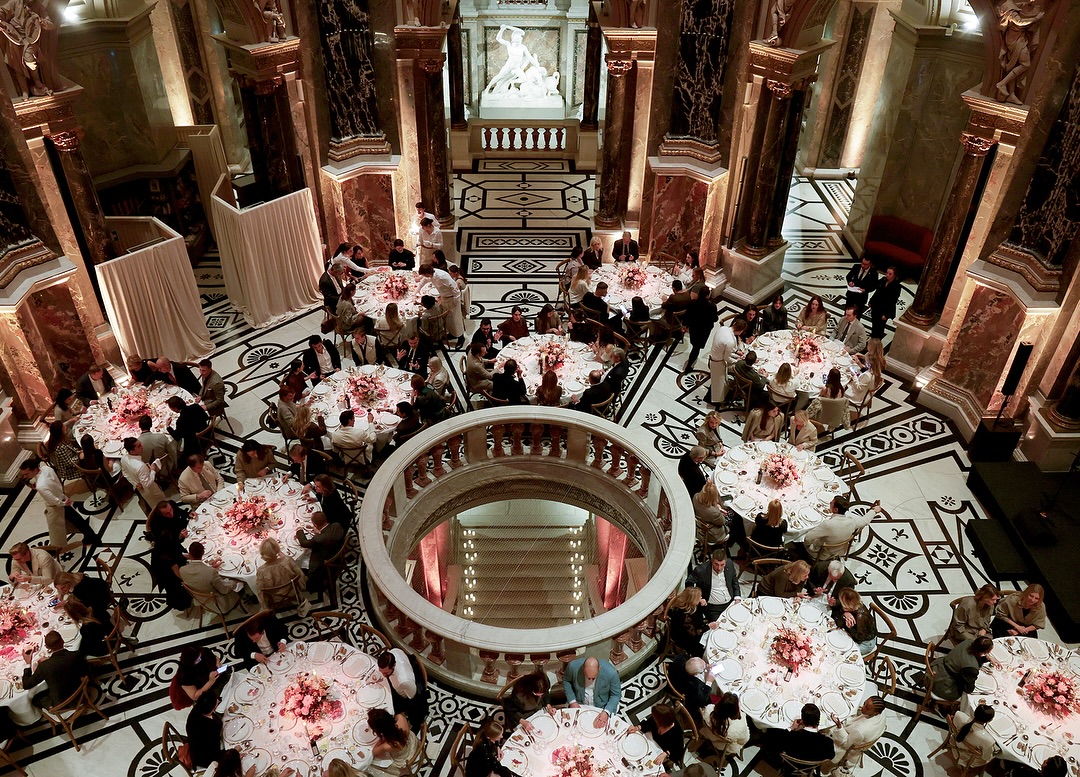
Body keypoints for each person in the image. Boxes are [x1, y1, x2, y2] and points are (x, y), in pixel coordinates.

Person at [19, 457, 99, 549]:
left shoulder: (41, 486)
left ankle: (89, 536)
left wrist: (64, 503)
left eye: (26, 474)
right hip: (61, 495)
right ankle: (89, 534)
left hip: (58, 504)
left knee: (61, 525)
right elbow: (54, 482)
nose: (25, 476)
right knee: (75, 519)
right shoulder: (46, 469)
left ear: (35, 470)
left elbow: (53, 500)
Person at [22, 630, 89, 710]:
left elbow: (26, 685)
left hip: (63, 705)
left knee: (35, 698)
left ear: (47, 647)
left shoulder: (44, 666)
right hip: (82, 693)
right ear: (62, 640)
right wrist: (49, 660)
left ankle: (51, 708)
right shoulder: (76, 655)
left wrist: (28, 663)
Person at [800, 497, 878, 560]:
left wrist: (808, 546)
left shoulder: (828, 525)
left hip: (820, 554)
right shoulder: (851, 522)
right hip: (836, 551)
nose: (830, 503)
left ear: (836, 509)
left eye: (831, 503)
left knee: (802, 535)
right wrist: (874, 511)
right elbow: (864, 521)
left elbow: (807, 539)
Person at [826, 696, 887, 773]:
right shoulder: (882, 712)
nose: (862, 708)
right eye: (864, 703)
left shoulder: (860, 730)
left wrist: (839, 727)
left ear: (876, 713)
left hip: (851, 745)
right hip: (867, 735)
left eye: (867, 708)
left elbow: (845, 744)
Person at [922, 636, 994, 701]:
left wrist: (985, 659)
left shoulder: (968, 641)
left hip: (936, 666)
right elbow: (968, 689)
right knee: (967, 695)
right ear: (985, 652)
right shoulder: (971, 667)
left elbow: (969, 656)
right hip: (942, 683)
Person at [179, 541, 241, 614]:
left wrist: (211, 567)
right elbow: (224, 590)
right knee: (238, 580)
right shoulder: (210, 572)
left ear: (189, 554)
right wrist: (234, 582)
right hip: (219, 603)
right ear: (203, 553)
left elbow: (199, 577)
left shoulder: (182, 570)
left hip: (200, 600)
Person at [295, 511, 346, 593]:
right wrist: (320, 533)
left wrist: (299, 531)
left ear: (315, 525)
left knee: (301, 560)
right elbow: (328, 536)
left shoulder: (318, 539)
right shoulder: (337, 525)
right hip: (336, 549)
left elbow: (304, 543)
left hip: (325, 557)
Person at [685, 549, 740, 621]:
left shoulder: (729, 563)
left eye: (722, 565)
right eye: (716, 564)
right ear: (712, 561)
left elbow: (734, 581)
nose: (719, 568)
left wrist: (737, 597)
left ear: (725, 562)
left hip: (731, 603)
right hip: (713, 608)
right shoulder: (701, 570)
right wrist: (698, 598)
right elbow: (688, 583)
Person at [563, 656, 621, 724]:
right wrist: (572, 701)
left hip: (602, 706)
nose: (590, 680)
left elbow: (616, 695)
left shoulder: (611, 672)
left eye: (593, 678)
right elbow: (566, 680)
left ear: (599, 668)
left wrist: (606, 712)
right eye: (588, 678)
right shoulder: (573, 667)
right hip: (579, 703)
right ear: (583, 668)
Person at [418, 260, 464, 346]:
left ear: (427, 273)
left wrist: (455, 301)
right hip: (444, 298)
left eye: (424, 275)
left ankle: (461, 338)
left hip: (452, 299)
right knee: (448, 320)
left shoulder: (442, 276)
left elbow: (455, 289)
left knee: (455, 320)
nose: (424, 276)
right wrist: (416, 291)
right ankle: (452, 334)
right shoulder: (431, 274)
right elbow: (424, 281)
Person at [367, 708, 420, 777]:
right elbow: (397, 716)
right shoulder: (401, 718)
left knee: (372, 764)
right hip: (413, 742)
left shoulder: (388, 745)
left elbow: (375, 751)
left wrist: (381, 738)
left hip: (406, 759)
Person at [255, 537, 306, 608]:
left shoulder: (261, 571)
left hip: (275, 597)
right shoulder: (288, 560)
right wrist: (285, 557)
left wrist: (265, 606)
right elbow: (300, 575)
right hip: (291, 591)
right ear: (277, 549)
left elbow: (261, 592)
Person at [701, 693, 750, 759]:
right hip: (723, 746)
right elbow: (744, 740)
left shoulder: (709, 709)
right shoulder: (739, 727)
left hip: (710, 735)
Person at [832, 588, 878, 656]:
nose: (841, 604)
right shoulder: (854, 604)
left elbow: (859, 638)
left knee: (843, 654)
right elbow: (837, 617)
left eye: (843, 604)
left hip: (866, 643)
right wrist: (844, 614)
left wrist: (850, 627)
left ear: (848, 606)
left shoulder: (861, 617)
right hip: (858, 634)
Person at [952, 704, 999, 769]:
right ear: (989, 721)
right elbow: (986, 757)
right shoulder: (988, 740)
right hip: (969, 759)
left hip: (954, 743)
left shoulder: (959, 715)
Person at [186, 691, 225, 768]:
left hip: (203, 746)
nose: (218, 701)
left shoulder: (198, 708)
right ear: (213, 708)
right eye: (216, 702)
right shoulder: (208, 728)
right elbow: (214, 753)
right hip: (207, 758)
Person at [166, 396, 210, 462]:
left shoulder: (181, 421)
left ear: (175, 408)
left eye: (171, 408)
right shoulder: (196, 406)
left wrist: (168, 427)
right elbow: (206, 417)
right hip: (208, 432)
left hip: (196, 443)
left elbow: (177, 437)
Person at [683, 290, 718, 372]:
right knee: (696, 348)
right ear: (707, 296)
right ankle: (688, 366)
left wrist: (685, 325)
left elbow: (687, 315)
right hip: (704, 330)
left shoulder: (693, 303)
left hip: (694, 327)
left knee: (695, 345)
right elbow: (715, 319)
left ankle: (690, 363)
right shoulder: (712, 306)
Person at [709, 318, 741, 406]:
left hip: (714, 355)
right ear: (740, 331)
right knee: (719, 384)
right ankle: (718, 402)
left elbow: (727, 351)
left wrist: (737, 356)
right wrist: (737, 361)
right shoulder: (730, 341)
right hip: (718, 362)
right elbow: (727, 358)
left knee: (719, 382)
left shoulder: (723, 329)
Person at [667, 588, 707, 658]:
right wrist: (708, 627)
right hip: (685, 639)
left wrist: (703, 605)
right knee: (705, 650)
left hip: (695, 630)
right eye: (699, 597)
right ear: (692, 600)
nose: (701, 597)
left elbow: (700, 616)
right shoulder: (684, 616)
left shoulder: (691, 606)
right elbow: (694, 633)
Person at [868, 266, 902, 340]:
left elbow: (892, 301)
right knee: (874, 324)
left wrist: (886, 314)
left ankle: (877, 342)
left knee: (880, 327)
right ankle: (873, 339)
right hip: (876, 306)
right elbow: (877, 292)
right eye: (887, 273)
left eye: (890, 274)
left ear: (894, 275)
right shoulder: (883, 280)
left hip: (884, 310)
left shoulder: (896, 286)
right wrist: (871, 301)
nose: (887, 275)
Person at [693, 482, 728, 548]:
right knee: (733, 518)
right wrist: (718, 509)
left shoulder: (696, 497)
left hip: (699, 524)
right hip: (711, 534)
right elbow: (722, 522)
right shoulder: (714, 513)